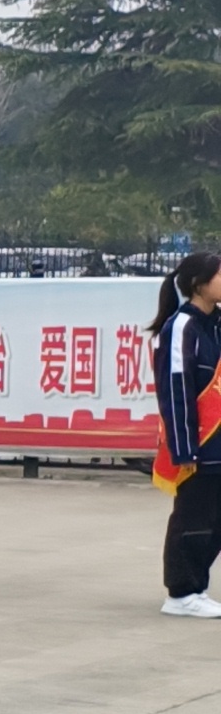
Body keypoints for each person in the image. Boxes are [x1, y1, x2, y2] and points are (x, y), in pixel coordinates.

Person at [154, 256, 221, 618]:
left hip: (220, 441)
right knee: (193, 515)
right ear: (199, 283)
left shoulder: (216, 325)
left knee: (216, 519)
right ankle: (180, 592)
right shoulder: (181, 327)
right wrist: (184, 448)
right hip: (198, 441)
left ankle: (197, 586)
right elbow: (176, 390)